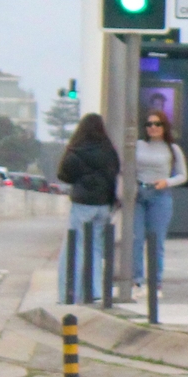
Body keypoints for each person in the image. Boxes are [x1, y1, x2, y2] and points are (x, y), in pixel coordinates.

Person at [55, 113, 119, 304]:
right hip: (103, 205)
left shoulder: (76, 149)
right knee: (96, 248)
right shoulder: (109, 150)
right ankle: (95, 291)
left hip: (82, 204)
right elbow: (114, 173)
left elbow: (63, 174)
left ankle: (70, 293)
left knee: (75, 248)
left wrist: (82, 179)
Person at [130, 109, 188, 294]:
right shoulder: (138, 145)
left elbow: (183, 175)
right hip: (138, 194)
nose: (153, 127)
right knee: (136, 239)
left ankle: (156, 283)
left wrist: (167, 182)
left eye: (157, 124)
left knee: (156, 241)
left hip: (160, 195)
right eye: (149, 124)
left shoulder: (172, 149)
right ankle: (137, 281)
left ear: (164, 126)